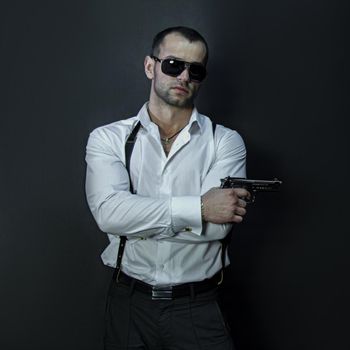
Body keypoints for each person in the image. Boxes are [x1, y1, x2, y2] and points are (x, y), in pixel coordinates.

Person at [85, 26, 249, 350]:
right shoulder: (108, 139)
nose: (184, 76)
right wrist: (200, 208)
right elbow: (109, 215)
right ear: (150, 66)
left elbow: (218, 229)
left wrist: (135, 221)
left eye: (195, 70)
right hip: (129, 303)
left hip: (198, 306)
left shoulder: (225, 142)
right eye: (173, 65)